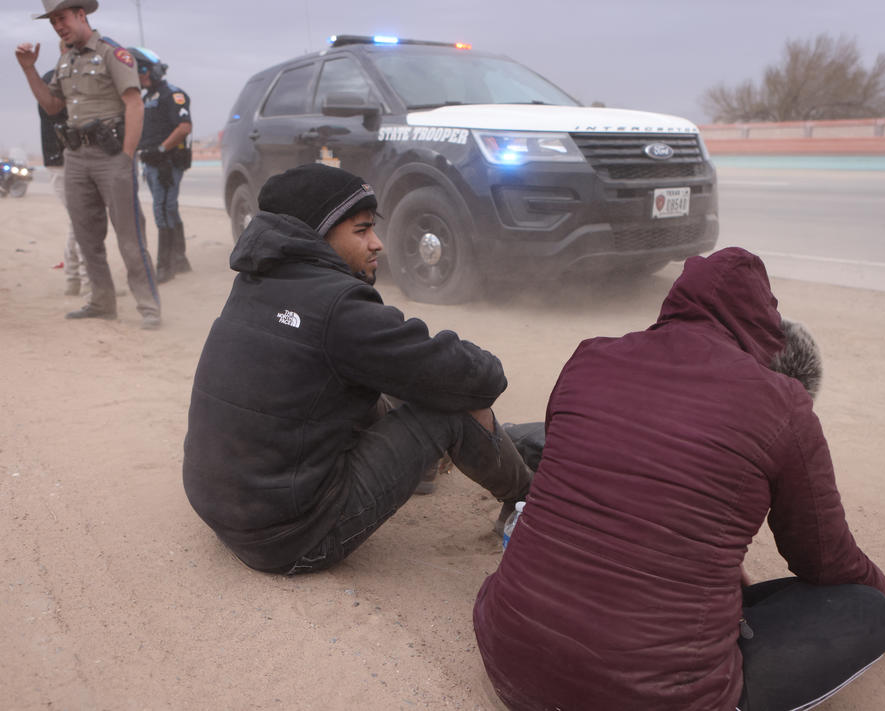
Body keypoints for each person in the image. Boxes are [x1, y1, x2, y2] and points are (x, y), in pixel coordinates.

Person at [474, 247, 885, 711]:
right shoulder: (780, 402)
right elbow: (825, 560)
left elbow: (591, 487)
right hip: (645, 697)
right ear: (764, 324)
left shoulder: (588, 359)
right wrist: (884, 596)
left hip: (510, 657)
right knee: (862, 609)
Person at [182, 164, 532, 574]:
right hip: (293, 538)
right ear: (319, 234)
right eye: (362, 230)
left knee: (382, 376)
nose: (377, 243)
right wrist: (480, 370)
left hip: (226, 512)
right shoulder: (339, 308)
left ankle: (420, 471)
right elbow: (477, 379)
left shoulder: (256, 279)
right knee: (449, 407)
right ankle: (530, 498)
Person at [16, 0, 160, 330]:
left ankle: (149, 307)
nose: (58, 26)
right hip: (75, 158)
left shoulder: (112, 52)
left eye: (62, 18)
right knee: (86, 236)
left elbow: (134, 105)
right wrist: (29, 69)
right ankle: (101, 301)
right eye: (53, 22)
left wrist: (126, 157)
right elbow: (53, 106)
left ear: (81, 15)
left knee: (129, 236)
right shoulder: (64, 58)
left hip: (111, 157)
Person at [130, 46, 193, 284]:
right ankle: (180, 260)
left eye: (140, 72)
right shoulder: (146, 98)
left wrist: (160, 149)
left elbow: (184, 127)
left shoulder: (172, 95)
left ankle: (165, 267)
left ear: (150, 71)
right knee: (169, 208)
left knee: (163, 209)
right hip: (151, 163)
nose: (139, 77)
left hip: (167, 163)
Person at [39, 61, 89, 297]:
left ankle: (74, 278)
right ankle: (86, 280)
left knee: (78, 221)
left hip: (69, 160)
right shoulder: (54, 79)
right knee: (81, 221)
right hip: (62, 162)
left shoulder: (65, 77)